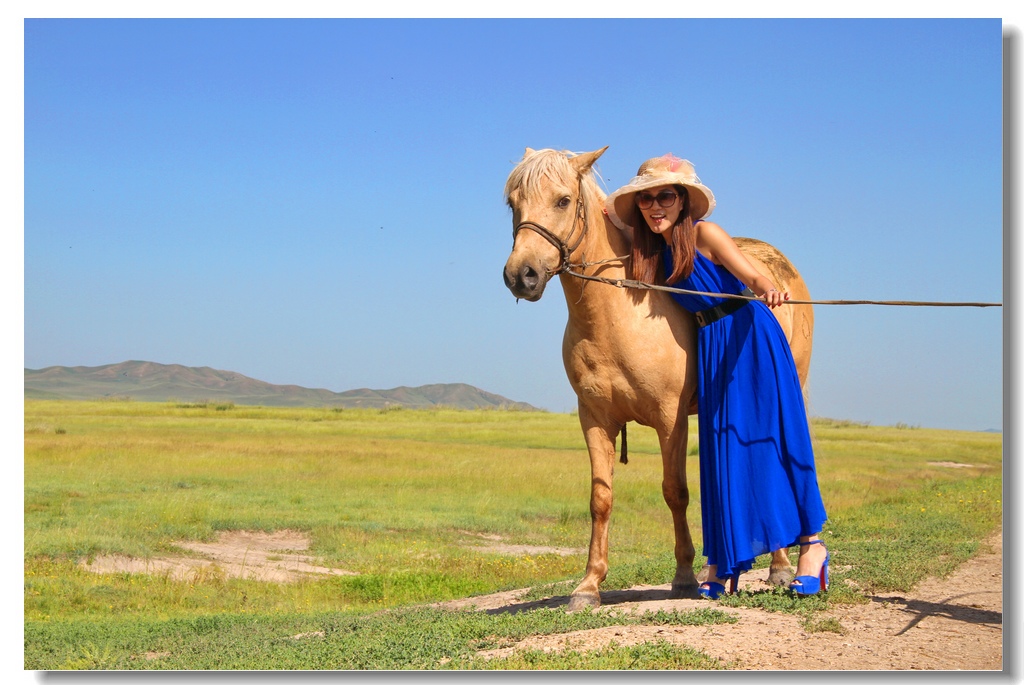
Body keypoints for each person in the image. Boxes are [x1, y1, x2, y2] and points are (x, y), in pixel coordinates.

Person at [604, 153, 829, 598]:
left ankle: (812, 549)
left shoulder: (705, 235)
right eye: (645, 198)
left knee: (777, 440)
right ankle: (725, 561)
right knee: (722, 449)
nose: (654, 206)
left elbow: (750, 272)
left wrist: (769, 288)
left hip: (748, 334)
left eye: (665, 196)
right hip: (711, 344)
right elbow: (601, 219)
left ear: (684, 201)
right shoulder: (652, 249)